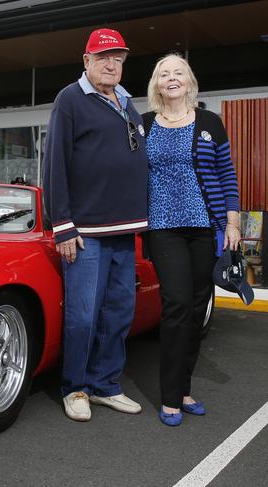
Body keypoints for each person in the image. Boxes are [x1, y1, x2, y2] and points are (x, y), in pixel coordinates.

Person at [42, 28, 148, 422]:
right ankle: (76, 388)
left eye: (118, 58)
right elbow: (54, 164)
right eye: (103, 57)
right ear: (86, 61)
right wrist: (64, 225)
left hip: (126, 231)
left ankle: (105, 385)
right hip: (85, 233)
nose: (111, 64)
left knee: (119, 312)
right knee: (84, 314)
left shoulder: (126, 103)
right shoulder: (71, 99)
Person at [142, 54, 240, 426]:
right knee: (177, 304)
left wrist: (231, 222)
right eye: (164, 74)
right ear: (156, 83)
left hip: (205, 226)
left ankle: (184, 388)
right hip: (163, 226)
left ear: (189, 80)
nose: (171, 78)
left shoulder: (210, 122)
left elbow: (226, 173)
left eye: (177, 72)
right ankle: (169, 397)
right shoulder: (145, 124)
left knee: (198, 308)